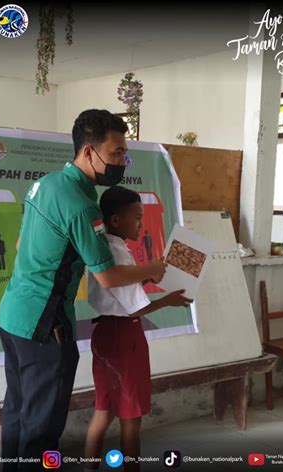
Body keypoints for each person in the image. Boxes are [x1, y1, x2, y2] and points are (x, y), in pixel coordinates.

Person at [0, 110, 167, 470]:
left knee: (17, 410)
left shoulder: (43, 184)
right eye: (117, 153)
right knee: (42, 428)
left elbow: (17, 245)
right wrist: (151, 269)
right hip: (44, 325)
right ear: (89, 152)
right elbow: (106, 276)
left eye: (125, 154)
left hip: (12, 314)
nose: (122, 161)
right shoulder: (81, 203)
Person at [84, 186, 191, 472]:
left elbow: (122, 291)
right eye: (137, 217)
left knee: (103, 411)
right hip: (124, 336)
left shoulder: (101, 245)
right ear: (117, 220)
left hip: (104, 333)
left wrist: (148, 281)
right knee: (131, 419)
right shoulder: (119, 251)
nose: (141, 224)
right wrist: (168, 300)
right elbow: (136, 309)